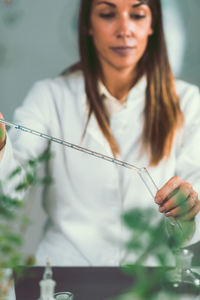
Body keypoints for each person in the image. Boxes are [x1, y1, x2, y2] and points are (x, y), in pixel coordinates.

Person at [0, 0, 200, 266]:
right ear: (88, 26)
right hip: (66, 272)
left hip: (149, 277)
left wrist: (186, 212)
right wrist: (2, 147)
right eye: (107, 14)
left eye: (138, 15)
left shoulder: (188, 101)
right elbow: (10, 191)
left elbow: (189, 219)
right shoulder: (49, 96)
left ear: (153, 25)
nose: (124, 29)